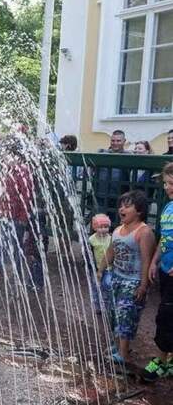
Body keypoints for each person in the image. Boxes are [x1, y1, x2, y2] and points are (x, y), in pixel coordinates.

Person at [103, 190, 155, 364]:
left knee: (126, 314)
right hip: (117, 278)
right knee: (113, 313)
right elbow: (111, 251)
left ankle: (123, 354)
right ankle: (118, 346)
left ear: (139, 210)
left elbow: (147, 260)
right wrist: (100, 269)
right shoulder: (118, 230)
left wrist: (143, 285)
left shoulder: (144, 232)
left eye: (127, 206)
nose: (121, 209)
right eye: (120, 206)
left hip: (133, 282)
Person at [141, 162, 173, 381]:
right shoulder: (168, 207)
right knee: (166, 314)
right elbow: (164, 238)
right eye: (166, 183)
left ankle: (161, 361)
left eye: (171, 183)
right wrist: (154, 261)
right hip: (165, 270)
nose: (167, 187)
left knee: (166, 316)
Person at [0, 142, 34, 280]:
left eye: (6, 156)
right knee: (0, 243)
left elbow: (26, 196)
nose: (4, 158)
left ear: (15, 156)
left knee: (16, 245)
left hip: (16, 216)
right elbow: (0, 193)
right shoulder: (5, 170)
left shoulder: (23, 172)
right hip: (4, 214)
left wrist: (23, 218)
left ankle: (17, 274)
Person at [89, 214, 112, 315]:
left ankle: (106, 305)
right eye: (100, 227)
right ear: (95, 228)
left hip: (109, 268)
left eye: (106, 227)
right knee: (95, 285)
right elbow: (88, 253)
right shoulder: (91, 240)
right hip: (96, 268)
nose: (103, 229)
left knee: (107, 284)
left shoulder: (111, 239)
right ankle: (97, 306)